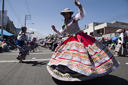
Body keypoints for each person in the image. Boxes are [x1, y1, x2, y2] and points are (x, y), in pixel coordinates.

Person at [47, 0, 119, 81]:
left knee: (83, 53)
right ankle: (71, 70)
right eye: (64, 14)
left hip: (79, 37)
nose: (65, 15)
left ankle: (85, 70)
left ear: (70, 14)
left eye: (67, 14)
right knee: (69, 55)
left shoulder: (74, 19)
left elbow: (81, 15)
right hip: (70, 39)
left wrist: (79, 7)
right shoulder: (65, 25)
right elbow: (61, 33)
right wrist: (54, 29)